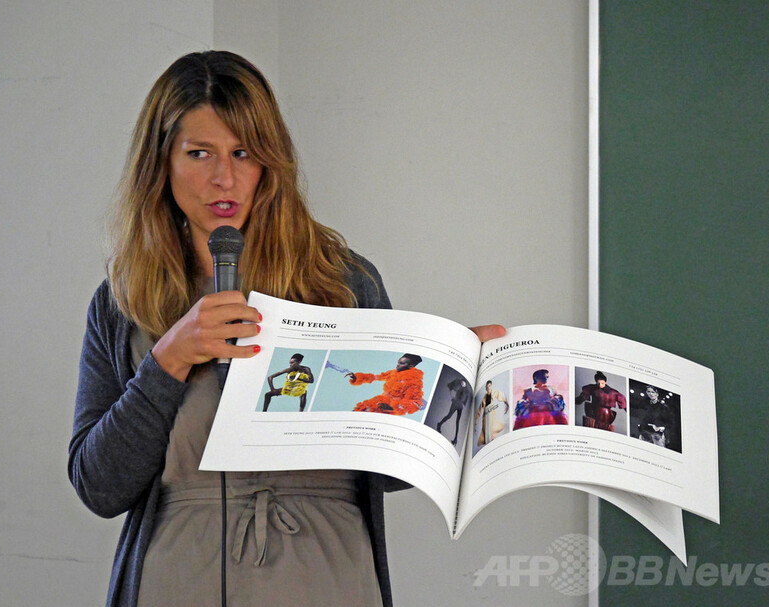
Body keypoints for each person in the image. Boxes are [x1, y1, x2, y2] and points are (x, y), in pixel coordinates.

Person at [67, 50, 504, 607]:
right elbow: (100, 488)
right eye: (199, 153)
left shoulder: (342, 282)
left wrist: (446, 382)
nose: (224, 177)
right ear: (161, 163)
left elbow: (389, 474)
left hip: (325, 574)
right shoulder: (123, 302)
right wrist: (168, 359)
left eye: (243, 152)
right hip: (176, 578)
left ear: (270, 163)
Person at [346, 354, 424, 415]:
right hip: (380, 400)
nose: (397, 365)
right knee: (360, 410)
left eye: (402, 363)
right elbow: (377, 377)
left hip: (390, 407)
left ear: (410, 366)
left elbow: (416, 403)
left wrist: (393, 407)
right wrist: (356, 377)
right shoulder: (392, 373)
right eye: (398, 362)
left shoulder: (413, 381)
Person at [475, 380, 509, 447]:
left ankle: (492, 442)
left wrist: (506, 403)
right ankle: (488, 444)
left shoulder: (494, 393)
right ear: (486, 387)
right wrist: (476, 421)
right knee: (486, 431)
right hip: (485, 415)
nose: (488, 387)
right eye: (487, 386)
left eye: (490, 386)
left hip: (492, 414)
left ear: (491, 386)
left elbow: (500, 395)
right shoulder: (484, 398)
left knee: (493, 428)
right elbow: (479, 409)